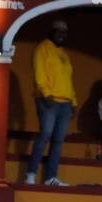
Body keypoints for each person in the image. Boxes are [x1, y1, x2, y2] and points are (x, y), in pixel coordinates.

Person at [25, 20, 74, 187]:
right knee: (45, 135)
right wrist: (47, 94)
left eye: (64, 32)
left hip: (65, 103)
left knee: (58, 141)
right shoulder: (42, 48)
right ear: (51, 31)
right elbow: (39, 73)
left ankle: (50, 177)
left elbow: (68, 79)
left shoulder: (64, 54)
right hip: (49, 100)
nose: (62, 34)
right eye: (58, 31)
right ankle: (31, 174)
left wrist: (73, 101)